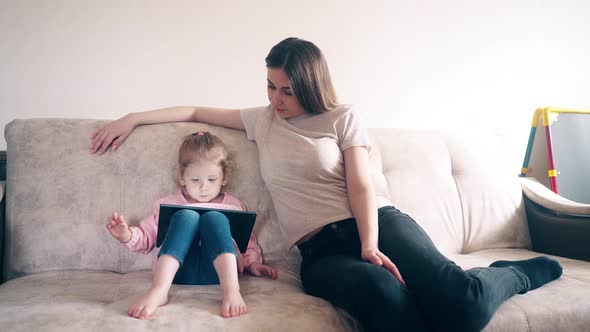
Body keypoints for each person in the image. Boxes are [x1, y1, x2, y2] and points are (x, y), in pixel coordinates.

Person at [94, 37, 562, 331]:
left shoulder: (343, 118)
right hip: (318, 252)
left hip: (377, 223)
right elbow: (194, 112)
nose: (276, 99)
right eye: (270, 87)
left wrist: (370, 244)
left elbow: (361, 186)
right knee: (387, 299)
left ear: (311, 84)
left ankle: (512, 275)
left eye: (287, 90)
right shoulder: (260, 120)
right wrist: (133, 117)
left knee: (463, 308)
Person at [105, 131, 277, 320]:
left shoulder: (234, 205)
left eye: (212, 180)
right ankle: (159, 291)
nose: (204, 187)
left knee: (215, 218)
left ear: (224, 177)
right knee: (186, 216)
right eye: (195, 180)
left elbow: (246, 242)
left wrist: (252, 262)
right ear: (182, 177)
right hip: (176, 272)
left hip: (220, 274)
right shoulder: (167, 203)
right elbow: (147, 236)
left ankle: (232, 291)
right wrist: (127, 235)